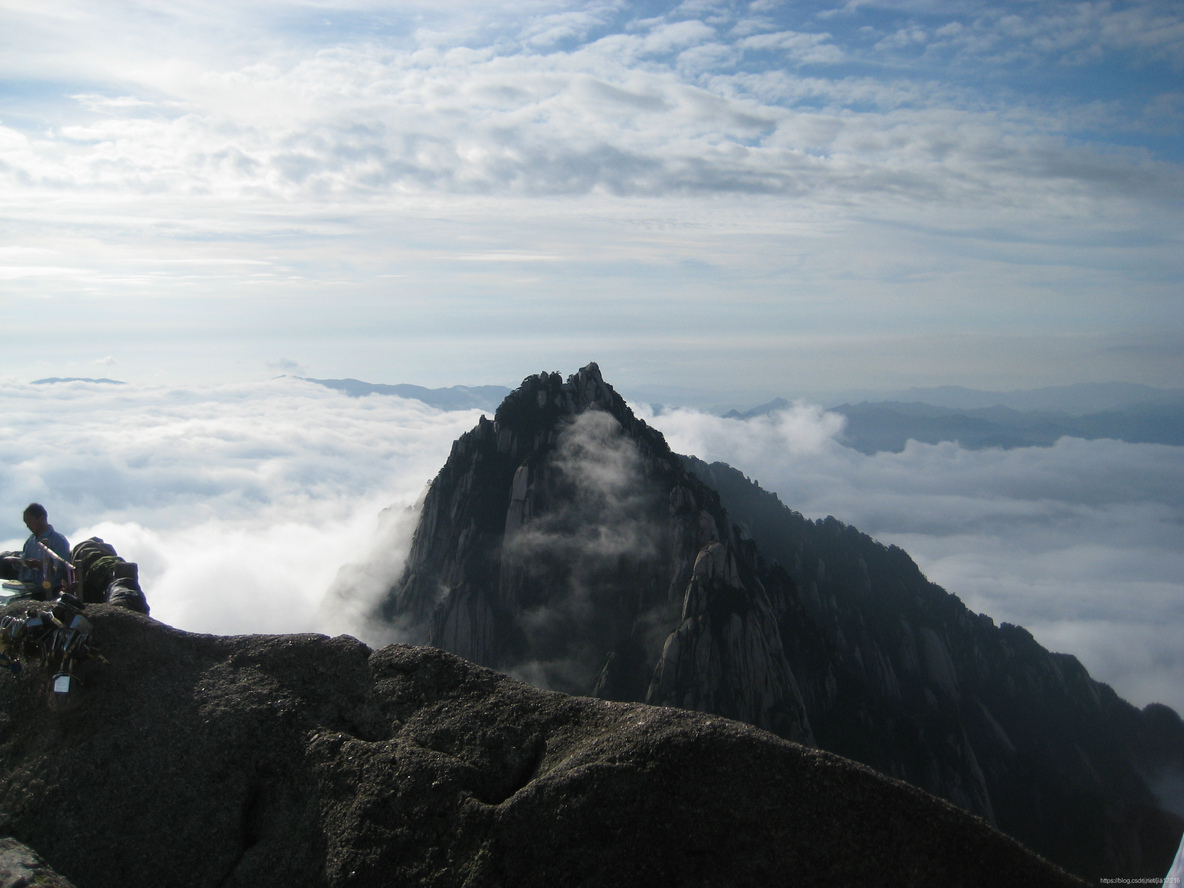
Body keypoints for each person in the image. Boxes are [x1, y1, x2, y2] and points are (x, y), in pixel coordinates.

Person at [4, 504, 72, 599]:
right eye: (26, 522)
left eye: (29, 521)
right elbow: (25, 562)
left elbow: (62, 569)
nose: (27, 525)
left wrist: (39, 565)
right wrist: (18, 561)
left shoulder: (58, 540)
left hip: (47, 591)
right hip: (26, 589)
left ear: (41, 518)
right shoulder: (30, 541)